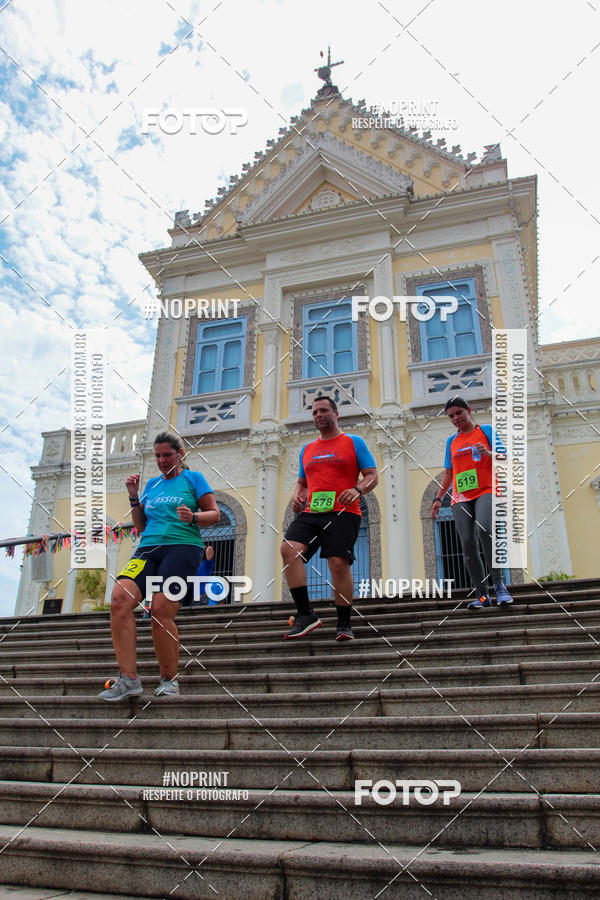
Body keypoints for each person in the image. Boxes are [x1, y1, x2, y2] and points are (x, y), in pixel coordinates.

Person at [98, 432, 219, 700]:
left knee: (161, 610)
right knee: (119, 599)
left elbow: (215, 514)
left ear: (180, 454)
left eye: (167, 455)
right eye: (157, 456)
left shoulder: (193, 479)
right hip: (148, 549)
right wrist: (133, 496)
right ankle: (128, 679)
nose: (162, 460)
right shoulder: (152, 485)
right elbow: (141, 526)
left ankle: (169, 680)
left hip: (183, 548)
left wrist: (194, 516)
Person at [281, 396, 378, 641]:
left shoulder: (353, 442)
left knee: (337, 563)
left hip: (344, 512)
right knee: (288, 549)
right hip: (312, 512)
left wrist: (358, 490)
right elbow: (302, 483)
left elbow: (372, 475)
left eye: (323, 410)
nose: (318, 415)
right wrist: (297, 495)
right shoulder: (307, 449)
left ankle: (344, 622)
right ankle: (305, 615)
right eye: (314, 412)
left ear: (336, 414)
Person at [432, 397, 513, 609]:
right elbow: (449, 472)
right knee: (467, 542)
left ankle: (499, 585)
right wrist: (438, 497)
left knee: (485, 530)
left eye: (459, 413)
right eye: (451, 416)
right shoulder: (452, 441)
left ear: (469, 410)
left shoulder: (485, 431)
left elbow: (505, 457)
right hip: (461, 496)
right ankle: (482, 594)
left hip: (487, 489)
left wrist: (489, 453)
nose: (455, 418)